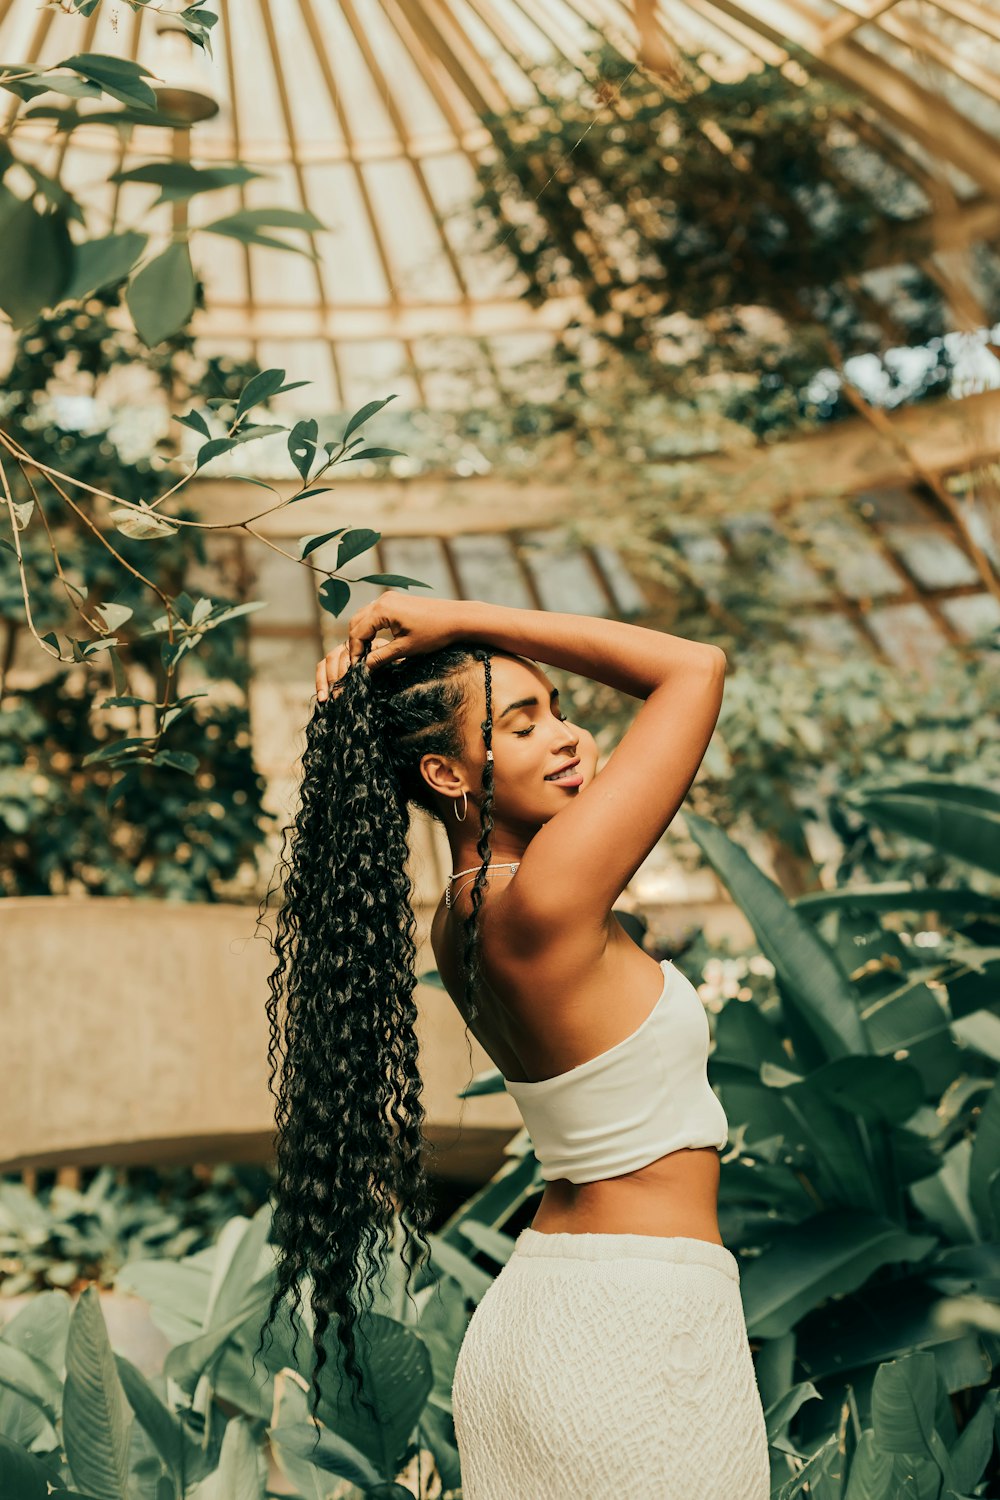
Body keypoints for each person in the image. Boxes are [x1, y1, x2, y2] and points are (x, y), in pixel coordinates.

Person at [257, 589, 769, 1497]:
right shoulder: (543, 901)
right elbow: (694, 668)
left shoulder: (466, 917)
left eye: (560, 711)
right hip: (637, 1325)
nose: (569, 738)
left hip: (548, 1319)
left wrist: (465, 641)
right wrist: (457, 618)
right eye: (524, 724)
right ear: (449, 776)